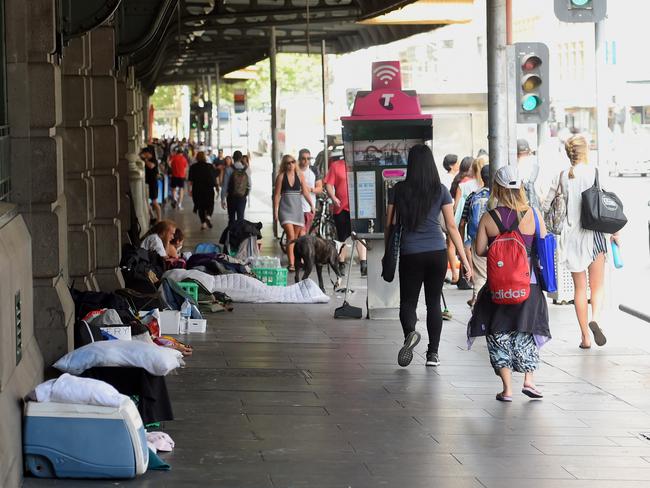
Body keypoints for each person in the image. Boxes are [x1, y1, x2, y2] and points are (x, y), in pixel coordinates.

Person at [468, 166, 551, 402]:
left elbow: (480, 250)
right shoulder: (533, 214)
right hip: (530, 283)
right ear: (521, 187)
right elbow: (543, 245)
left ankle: (507, 389)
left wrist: (501, 250)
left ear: (497, 188)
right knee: (527, 329)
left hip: (499, 284)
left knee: (498, 332)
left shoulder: (489, 217)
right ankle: (529, 381)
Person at [386, 145, 471, 368]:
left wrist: (388, 249)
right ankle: (433, 354)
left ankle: (410, 334)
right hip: (436, 253)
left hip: (410, 252)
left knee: (407, 303)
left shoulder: (399, 190)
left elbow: (390, 225)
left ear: (410, 164)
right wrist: (465, 261)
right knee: (433, 303)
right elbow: (452, 227)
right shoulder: (441, 189)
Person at [545, 134, 616, 349]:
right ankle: (596, 318)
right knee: (598, 286)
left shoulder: (563, 176)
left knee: (579, 289)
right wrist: (616, 233)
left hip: (571, 236)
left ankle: (585, 336)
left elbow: (545, 203)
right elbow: (608, 201)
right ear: (585, 150)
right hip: (593, 234)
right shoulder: (595, 172)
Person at [324, 158, 368, 276]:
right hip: (341, 208)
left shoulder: (360, 164)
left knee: (360, 235)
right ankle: (341, 264)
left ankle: (364, 264)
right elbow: (328, 184)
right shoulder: (336, 166)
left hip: (358, 208)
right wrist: (333, 197)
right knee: (342, 237)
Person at [273, 154, 314, 271]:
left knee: (296, 238)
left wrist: (312, 205)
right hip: (285, 210)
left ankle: (296, 261)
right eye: (288, 163)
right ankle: (291, 264)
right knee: (291, 236)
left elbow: (306, 192)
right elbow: (276, 195)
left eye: (292, 162)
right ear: (284, 165)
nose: (290, 164)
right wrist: (275, 211)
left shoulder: (300, 176)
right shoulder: (281, 177)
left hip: (297, 210)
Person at [459, 164, 491, 308]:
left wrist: (462, 242)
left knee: (480, 276)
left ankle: (476, 305)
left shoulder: (472, 196)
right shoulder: (497, 196)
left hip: (477, 240)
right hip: (496, 240)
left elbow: (462, 222)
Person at [452, 156, 477, 290]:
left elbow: (455, 207)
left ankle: (470, 276)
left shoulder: (461, 184)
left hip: (466, 224)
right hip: (479, 226)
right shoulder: (480, 185)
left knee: (466, 250)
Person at [188, 151, 219, 230]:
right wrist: (216, 187)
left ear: (197, 157)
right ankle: (208, 216)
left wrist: (190, 190)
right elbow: (214, 178)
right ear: (205, 157)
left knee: (200, 207)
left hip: (197, 190)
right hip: (208, 189)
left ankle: (203, 224)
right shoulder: (210, 166)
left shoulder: (193, 167)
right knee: (210, 204)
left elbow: (190, 180)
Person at [298, 148, 322, 236]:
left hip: (309, 207)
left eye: (308, 158)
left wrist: (310, 189)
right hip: (296, 206)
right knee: (301, 232)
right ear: (299, 159)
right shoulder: (295, 170)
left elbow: (320, 188)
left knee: (305, 232)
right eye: (303, 158)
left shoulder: (314, 170)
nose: (306, 161)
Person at [221, 150, 250, 224]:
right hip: (242, 197)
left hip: (231, 197)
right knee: (241, 218)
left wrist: (222, 199)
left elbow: (225, 185)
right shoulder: (246, 169)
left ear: (233, 158)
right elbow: (249, 185)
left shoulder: (229, 169)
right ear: (241, 158)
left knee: (231, 218)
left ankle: (231, 234)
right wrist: (245, 194)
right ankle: (239, 234)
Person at [517, 139, 541, 210]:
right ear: (529, 152)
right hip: (534, 207)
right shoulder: (535, 165)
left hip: (520, 205)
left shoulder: (515, 167)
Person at [141, 147, 161, 224]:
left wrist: (145, 159)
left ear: (148, 153)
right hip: (147, 183)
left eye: (144, 153)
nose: (144, 155)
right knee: (146, 201)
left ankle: (159, 219)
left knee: (154, 202)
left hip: (153, 183)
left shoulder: (153, 160)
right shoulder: (145, 160)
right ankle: (152, 216)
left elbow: (151, 166)